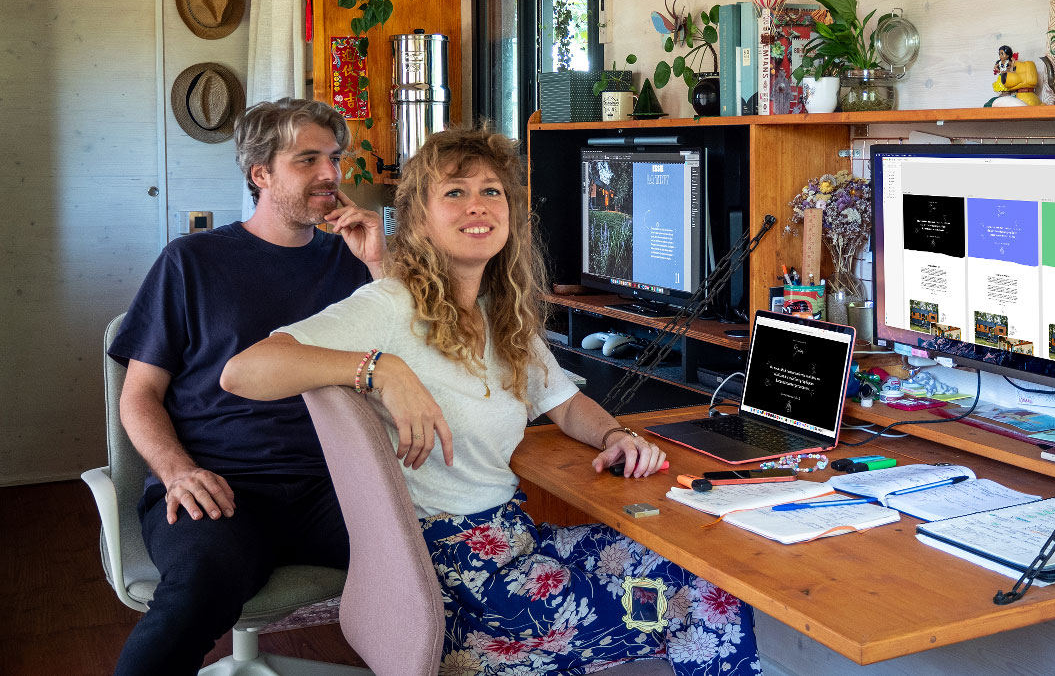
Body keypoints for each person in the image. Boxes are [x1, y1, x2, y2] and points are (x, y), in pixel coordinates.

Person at [222, 127, 761, 676]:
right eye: (454, 192)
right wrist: (380, 369)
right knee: (709, 594)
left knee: (692, 556)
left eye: (492, 191)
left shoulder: (499, 313)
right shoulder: (389, 303)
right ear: (418, 219)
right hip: (458, 581)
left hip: (510, 541)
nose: (477, 206)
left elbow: (565, 404)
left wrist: (615, 436)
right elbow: (244, 372)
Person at [108, 98, 386, 676]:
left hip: (333, 484)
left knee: (441, 562)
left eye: (334, 158)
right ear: (260, 173)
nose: (331, 175)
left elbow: (420, 356)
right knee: (195, 595)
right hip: (220, 486)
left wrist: (381, 267)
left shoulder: (354, 261)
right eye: (307, 159)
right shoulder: (191, 262)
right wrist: (177, 471)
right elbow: (138, 396)